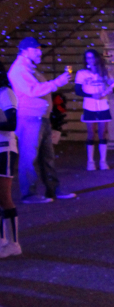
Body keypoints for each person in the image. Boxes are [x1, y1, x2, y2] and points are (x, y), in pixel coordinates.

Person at [8, 37, 75, 204]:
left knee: (46, 157)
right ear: (25, 50)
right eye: (36, 49)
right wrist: (57, 82)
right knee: (29, 157)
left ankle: (52, 189)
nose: (40, 52)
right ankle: (29, 194)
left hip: (38, 117)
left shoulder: (29, 68)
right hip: (30, 118)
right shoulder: (19, 70)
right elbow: (32, 90)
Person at [75, 48, 114, 171]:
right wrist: (91, 95)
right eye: (88, 58)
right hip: (89, 106)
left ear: (97, 58)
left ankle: (103, 161)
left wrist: (110, 90)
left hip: (103, 106)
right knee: (90, 133)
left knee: (102, 133)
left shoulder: (104, 72)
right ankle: (90, 162)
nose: (91, 60)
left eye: (92, 57)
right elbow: (78, 90)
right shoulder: (82, 73)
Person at [0, 60, 21, 258]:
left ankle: (13, 244)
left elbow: (11, 123)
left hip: (4, 149)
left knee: (4, 196)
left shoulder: (5, 93)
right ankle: (2, 241)